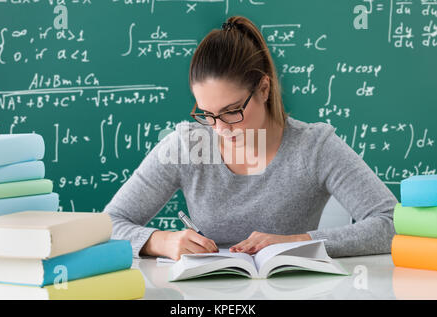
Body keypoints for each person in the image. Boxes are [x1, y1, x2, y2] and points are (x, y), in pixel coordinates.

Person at [103, 16, 398, 261]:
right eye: (207, 113)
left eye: (232, 111)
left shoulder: (314, 146)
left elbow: (391, 223)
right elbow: (109, 223)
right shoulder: (188, 144)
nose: (219, 128)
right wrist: (160, 241)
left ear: (264, 89)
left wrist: (295, 242)